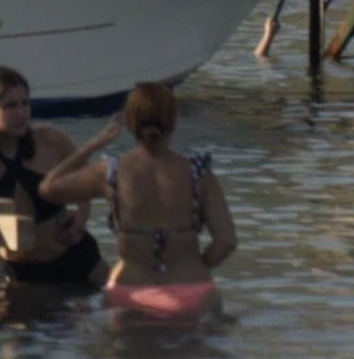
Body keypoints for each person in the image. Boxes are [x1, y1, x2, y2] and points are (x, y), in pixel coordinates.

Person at [37, 80, 234, 321]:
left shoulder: (112, 172)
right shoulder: (199, 173)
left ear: (130, 123)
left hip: (130, 293)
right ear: (173, 121)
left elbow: (48, 188)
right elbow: (226, 242)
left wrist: (91, 146)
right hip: (194, 291)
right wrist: (196, 266)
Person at [0, 64, 99, 285]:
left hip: (79, 258)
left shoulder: (50, 139)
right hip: (21, 272)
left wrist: (82, 216)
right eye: (10, 106)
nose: (21, 113)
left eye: (25, 103)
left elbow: (90, 179)